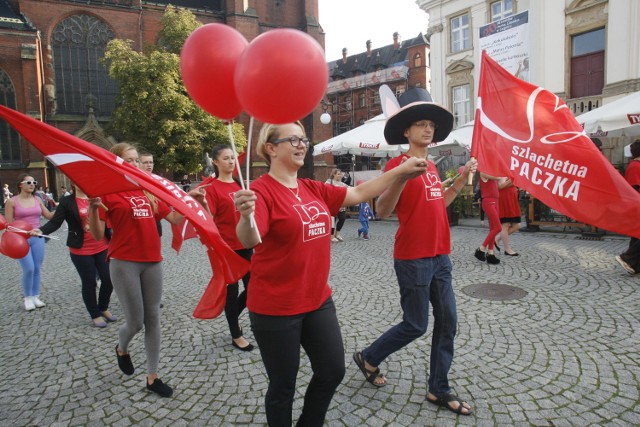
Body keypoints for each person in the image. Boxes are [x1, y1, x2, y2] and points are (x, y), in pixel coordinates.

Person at [233, 121, 428, 426]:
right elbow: (249, 239)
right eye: (293, 139)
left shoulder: (312, 187)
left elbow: (360, 192)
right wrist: (245, 216)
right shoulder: (260, 191)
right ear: (270, 148)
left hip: (317, 300)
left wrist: (400, 172)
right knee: (283, 386)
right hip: (276, 308)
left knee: (332, 370)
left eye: (303, 139)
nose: (301, 144)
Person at [353, 87, 475, 416]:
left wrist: (460, 182)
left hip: (440, 257)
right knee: (416, 325)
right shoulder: (397, 164)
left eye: (431, 124)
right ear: (406, 130)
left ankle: (439, 388)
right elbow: (382, 211)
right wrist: (402, 178)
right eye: (421, 123)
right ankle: (368, 357)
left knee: (448, 322)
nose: (428, 129)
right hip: (413, 258)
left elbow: (440, 204)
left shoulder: (432, 167)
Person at [89, 142, 207, 398]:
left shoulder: (147, 191)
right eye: (128, 160)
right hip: (123, 262)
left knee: (153, 318)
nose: (135, 165)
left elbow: (174, 218)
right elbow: (99, 235)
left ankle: (152, 377)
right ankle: (122, 348)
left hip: (152, 260)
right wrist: (93, 207)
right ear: (117, 162)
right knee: (135, 322)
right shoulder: (108, 193)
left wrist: (190, 199)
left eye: (136, 160)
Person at [31, 183, 116, 327]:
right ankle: (95, 314)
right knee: (89, 282)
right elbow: (56, 222)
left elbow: (110, 218)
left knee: (108, 279)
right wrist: (41, 230)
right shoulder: (67, 201)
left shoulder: (97, 198)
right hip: (81, 249)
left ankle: (103, 307)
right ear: (73, 182)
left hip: (102, 246)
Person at [206, 144, 253, 352]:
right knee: (231, 292)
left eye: (233, 158)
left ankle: (233, 315)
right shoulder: (212, 188)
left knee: (253, 288)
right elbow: (209, 220)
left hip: (245, 244)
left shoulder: (238, 184)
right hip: (226, 248)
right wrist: (204, 206)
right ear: (216, 162)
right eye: (226, 158)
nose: (231, 161)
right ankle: (236, 333)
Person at [4, 174, 54, 311]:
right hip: (21, 240)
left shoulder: (37, 199)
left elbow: (48, 216)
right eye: (29, 182)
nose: (32, 184)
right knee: (29, 268)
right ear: (20, 184)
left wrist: (63, 208)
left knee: (37, 268)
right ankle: (27, 298)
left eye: (34, 182)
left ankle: (35, 296)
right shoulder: (12, 202)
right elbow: (9, 225)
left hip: (37, 237)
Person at [615, 139, 640, 274]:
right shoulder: (635, 166)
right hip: (637, 206)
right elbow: (635, 188)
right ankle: (628, 258)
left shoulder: (635, 165)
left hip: (636, 206)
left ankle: (635, 265)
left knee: (637, 235)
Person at [474, 172, 501, 265]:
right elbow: (496, 176)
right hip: (489, 201)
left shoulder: (491, 172)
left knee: (493, 228)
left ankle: (490, 253)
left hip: (496, 201)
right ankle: (481, 249)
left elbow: (500, 184)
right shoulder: (483, 172)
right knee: (498, 227)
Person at [139, 151, 163, 237]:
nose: (149, 165)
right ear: (138, 163)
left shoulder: (157, 181)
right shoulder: (134, 181)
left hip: (155, 224)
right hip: (141, 224)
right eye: (145, 162)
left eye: (151, 162)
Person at [496, 177, 521, 256]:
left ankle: (496, 239)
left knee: (517, 225)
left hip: (512, 200)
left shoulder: (511, 171)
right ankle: (507, 249)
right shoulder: (502, 170)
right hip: (504, 199)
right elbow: (500, 186)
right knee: (505, 225)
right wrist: (512, 180)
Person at [325, 168, 348, 242]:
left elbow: (349, 190)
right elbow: (325, 190)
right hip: (332, 205)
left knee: (342, 218)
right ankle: (331, 236)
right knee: (332, 221)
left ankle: (337, 234)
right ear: (334, 174)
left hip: (341, 205)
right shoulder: (329, 182)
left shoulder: (343, 184)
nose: (340, 175)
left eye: (340, 174)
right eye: (338, 174)